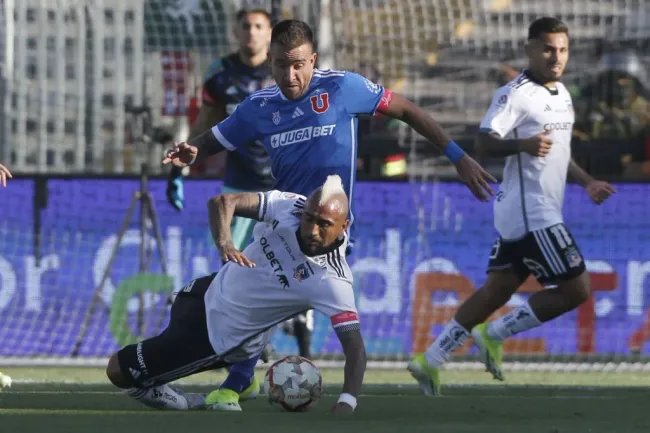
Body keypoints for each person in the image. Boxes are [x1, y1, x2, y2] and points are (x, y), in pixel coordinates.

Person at [162, 18, 495, 405]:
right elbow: (216, 137)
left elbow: (407, 111)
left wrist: (458, 157)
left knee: (268, 298)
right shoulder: (258, 108)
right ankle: (240, 378)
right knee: (256, 297)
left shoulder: (341, 88)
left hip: (326, 229)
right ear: (269, 62)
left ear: (313, 60)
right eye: (282, 64)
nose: (291, 74)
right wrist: (193, 150)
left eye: (299, 63)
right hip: (280, 218)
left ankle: (242, 381)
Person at [407, 17, 617, 396]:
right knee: (578, 290)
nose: (556, 57)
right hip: (531, 210)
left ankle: (431, 359)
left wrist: (587, 183)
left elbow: (559, 154)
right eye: (549, 48)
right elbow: (484, 141)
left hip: (529, 209)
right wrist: (521, 145)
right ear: (530, 48)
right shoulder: (514, 94)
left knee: (496, 291)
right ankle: (497, 332)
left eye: (563, 50)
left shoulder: (563, 94)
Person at [106, 175, 365, 414]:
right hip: (202, 292)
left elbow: (355, 349)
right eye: (309, 218)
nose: (311, 230)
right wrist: (226, 243)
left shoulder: (333, 280)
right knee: (160, 347)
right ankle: (246, 370)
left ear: (345, 225)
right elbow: (223, 201)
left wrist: (347, 402)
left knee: (120, 369)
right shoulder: (290, 206)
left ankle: (184, 401)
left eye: (324, 225)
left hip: (214, 337)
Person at [166, 8, 314, 363]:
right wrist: (184, 166)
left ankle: (306, 356)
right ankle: (244, 350)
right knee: (234, 270)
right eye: (245, 26)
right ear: (236, 31)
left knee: (299, 268)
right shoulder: (221, 74)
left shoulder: (287, 70)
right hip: (241, 188)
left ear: (270, 33)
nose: (251, 32)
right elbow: (207, 122)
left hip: (286, 187)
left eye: (259, 26)